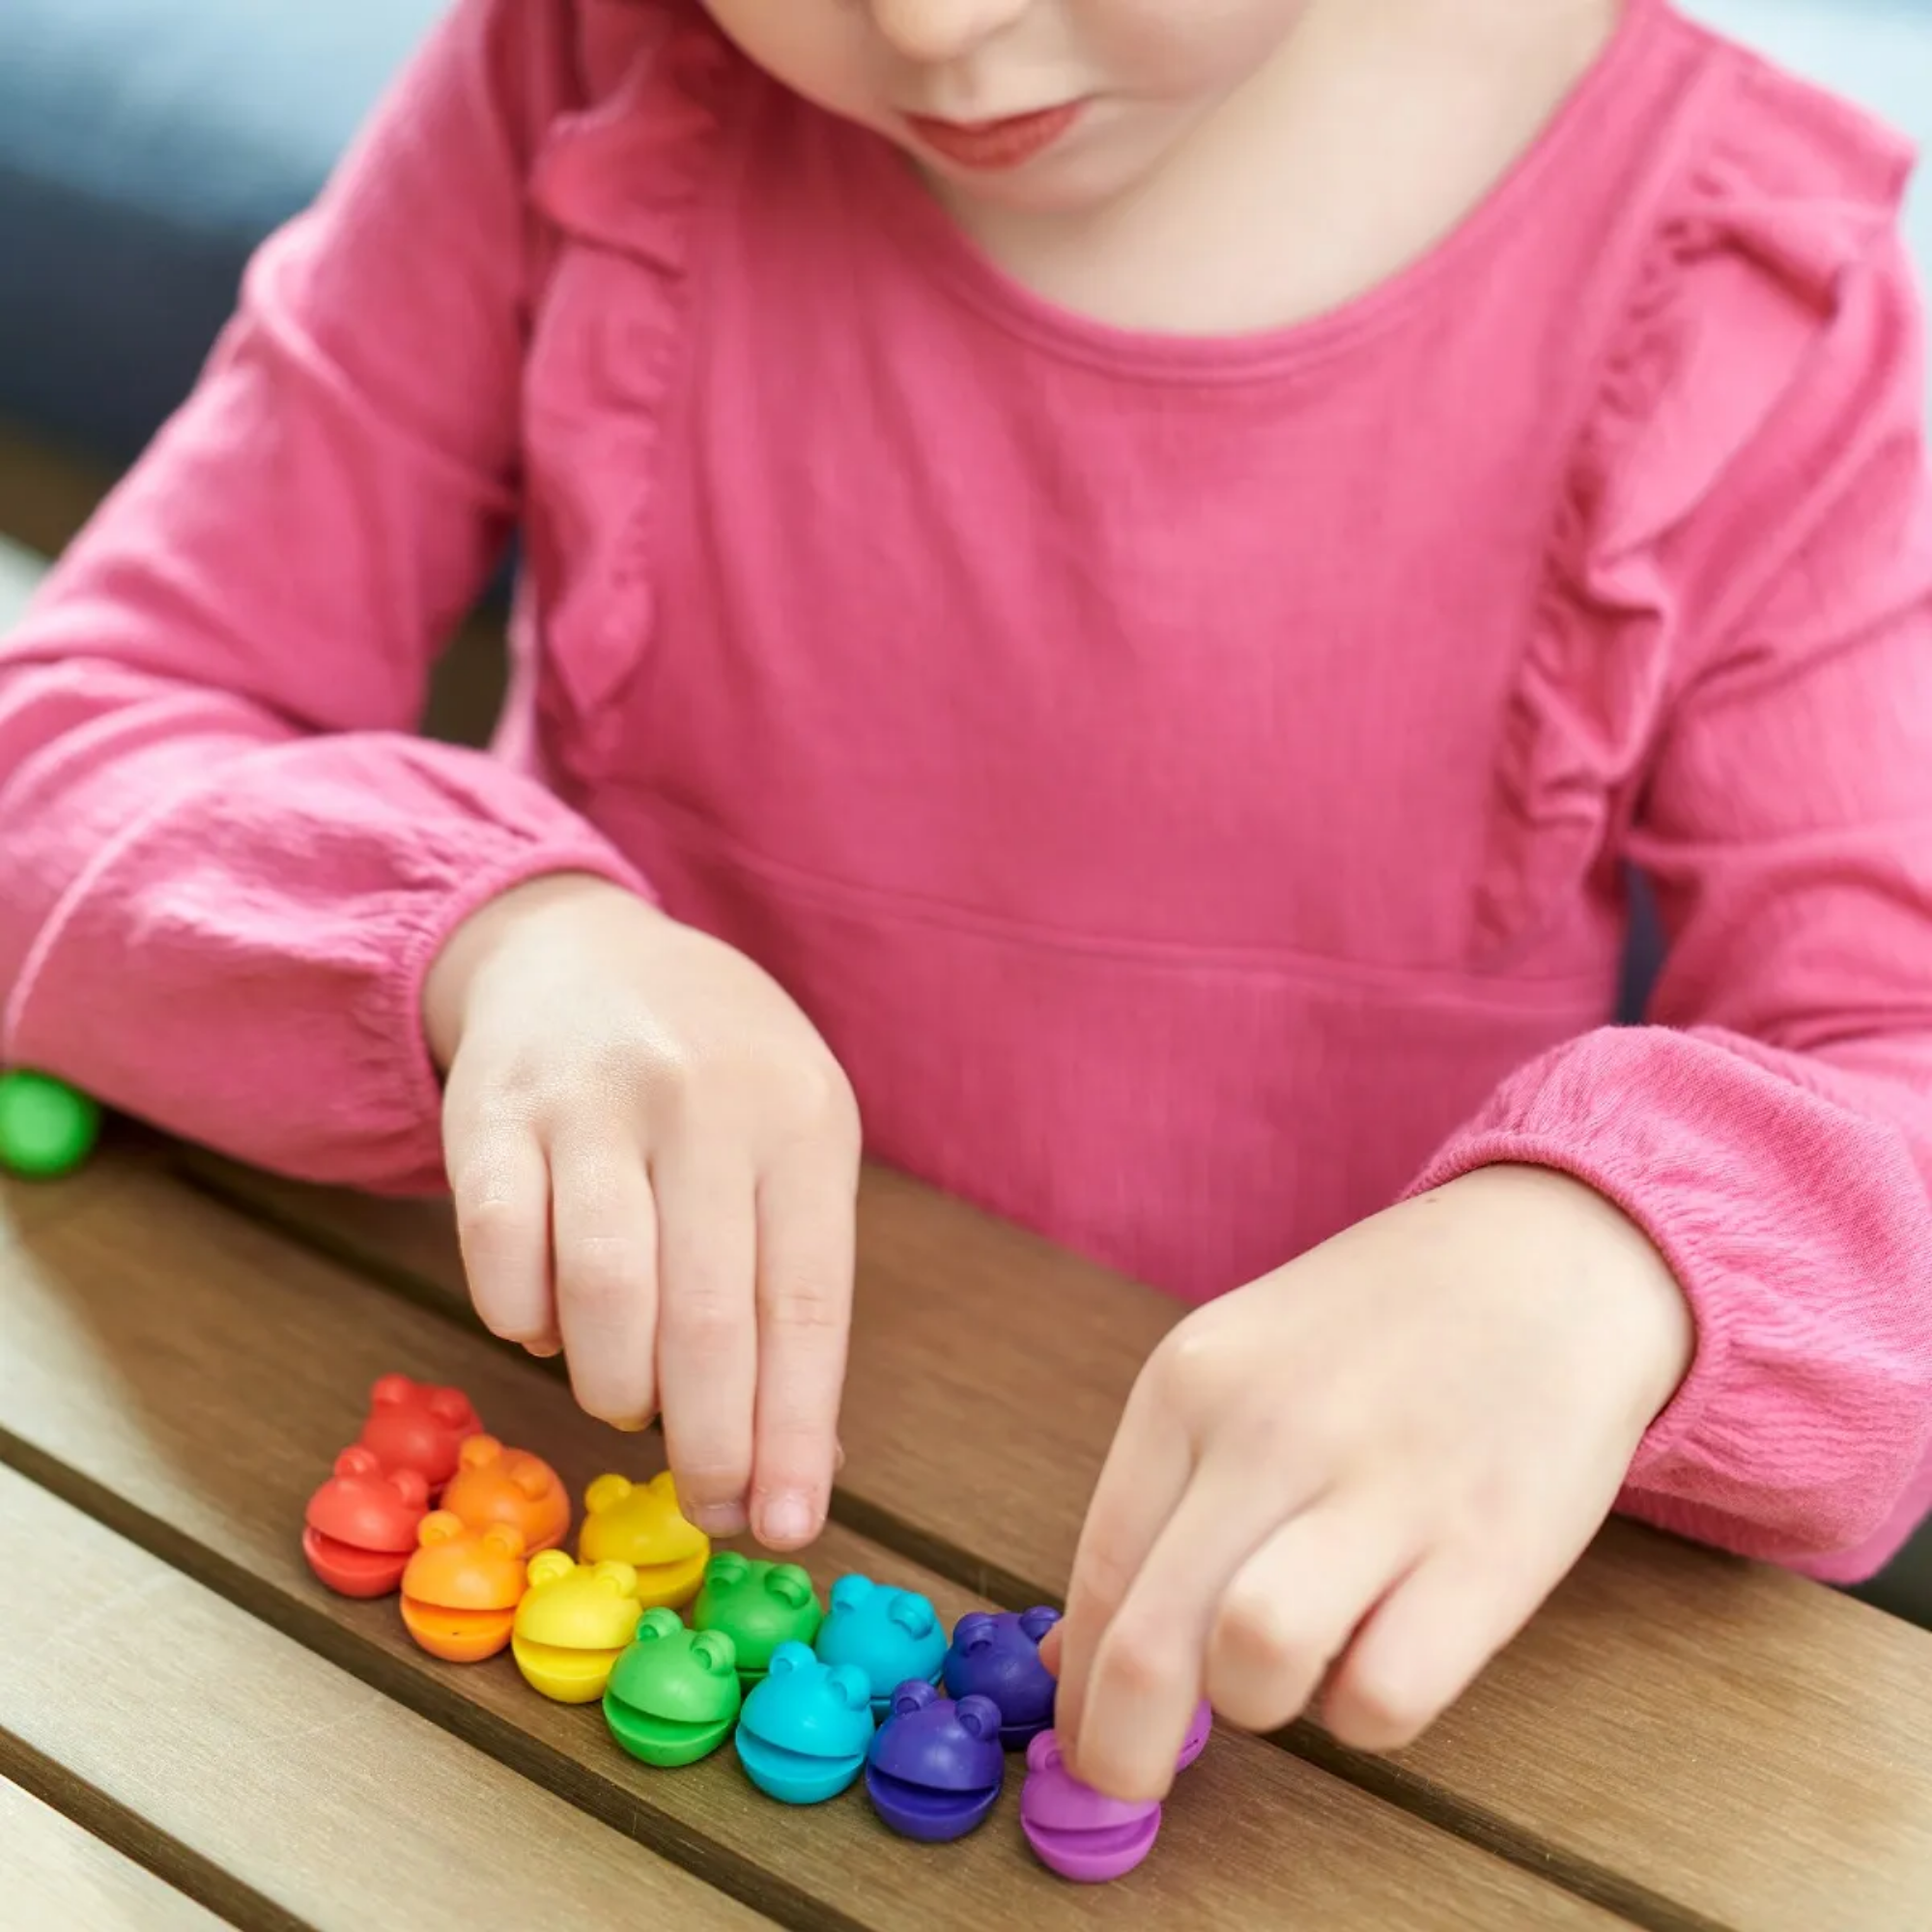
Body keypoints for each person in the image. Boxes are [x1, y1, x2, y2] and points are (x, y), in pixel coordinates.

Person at [3, 0, 1930, 1804]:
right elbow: (66, 755)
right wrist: (497, 943)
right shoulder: (583, 61)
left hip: (1306, 1740)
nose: (931, 24)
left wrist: (1613, 1265)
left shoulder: (1742, 277)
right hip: (590, 1563)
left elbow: (1893, 1065)